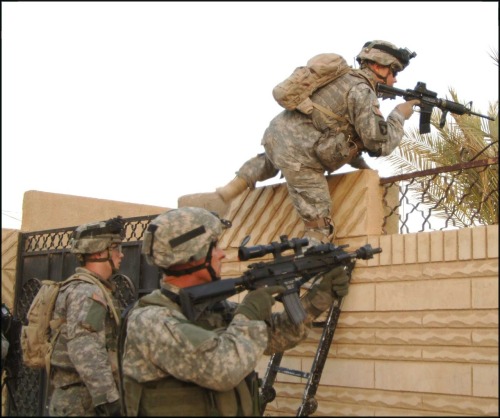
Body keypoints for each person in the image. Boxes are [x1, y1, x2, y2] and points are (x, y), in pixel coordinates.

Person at [119, 207, 350, 416]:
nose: (222, 254)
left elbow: (274, 337)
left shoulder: (212, 308)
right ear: (194, 256)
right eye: (214, 247)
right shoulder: (151, 321)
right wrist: (249, 313)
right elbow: (223, 370)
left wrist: (319, 297)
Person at [183, 40, 419, 244]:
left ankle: (227, 192)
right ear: (378, 66)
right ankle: (305, 285)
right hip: (301, 157)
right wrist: (399, 114)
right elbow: (379, 143)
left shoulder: (339, 78)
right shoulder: (362, 91)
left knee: (271, 161)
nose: (395, 78)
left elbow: (342, 132)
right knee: (319, 227)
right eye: (393, 71)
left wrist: (363, 167)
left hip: (276, 138)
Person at [48, 216, 125, 417]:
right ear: (100, 251)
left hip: (79, 397)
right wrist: (110, 401)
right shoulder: (87, 292)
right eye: (116, 247)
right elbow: (85, 347)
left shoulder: (89, 288)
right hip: (82, 401)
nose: (121, 254)